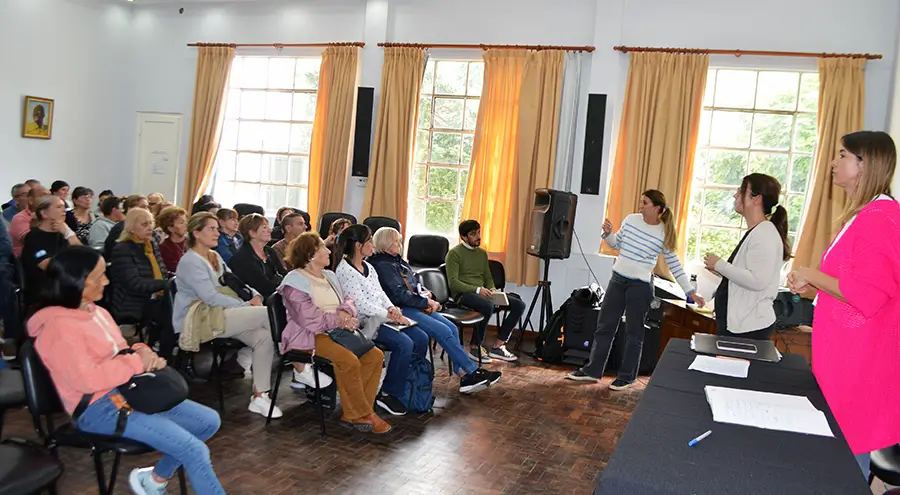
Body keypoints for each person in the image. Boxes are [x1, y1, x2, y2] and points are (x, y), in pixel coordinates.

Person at [27, 246, 225, 494]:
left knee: (207, 422)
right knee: (194, 450)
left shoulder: (96, 311)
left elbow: (121, 349)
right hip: (97, 408)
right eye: (99, 276)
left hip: (126, 390)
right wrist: (136, 363)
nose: (107, 281)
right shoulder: (58, 327)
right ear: (77, 281)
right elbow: (87, 380)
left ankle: (154, 481)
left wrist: (143, 352)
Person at [787, 131, 900, 478]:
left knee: (844, 466)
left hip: (858, 364)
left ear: (865, 165)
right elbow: (856, 286)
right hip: (843, 357)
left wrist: (811, 274)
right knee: (835, 460)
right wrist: (814, 281)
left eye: (842, 155)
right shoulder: (865, 215)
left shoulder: (880, 217)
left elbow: (869, 296)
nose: (834, 163)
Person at [567, 190, 705, 390]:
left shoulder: (664, 232)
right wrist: (608, 234)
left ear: (657, 208)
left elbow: (675, 265)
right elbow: (616, 244)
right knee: (604, 327)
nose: (641, 206)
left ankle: (627, 376)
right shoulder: (631, 220)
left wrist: (690, 292)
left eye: (645, 203)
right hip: (617, 281)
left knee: (634, 334)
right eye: (641, 202)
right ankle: (592, 370)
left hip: (640, 287)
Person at [173, 212, 280, 418]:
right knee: (269, 315)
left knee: (263, 336)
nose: (217, 232)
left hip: (221, 314)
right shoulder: (190, 261)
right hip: (199, 319)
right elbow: (210, 297)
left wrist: (254, 294)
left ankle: (260, 396)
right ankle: (300, 364)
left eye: (216, 228)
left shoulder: (214, 256)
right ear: (196, 233)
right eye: (211, 228)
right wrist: (245, 305)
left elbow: (235, 281)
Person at [279, 232, 389, 433]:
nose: (329, 251)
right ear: (310, 254)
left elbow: (348, 300)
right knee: (348, 360)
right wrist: (340, 320)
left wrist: (346, 314)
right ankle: (366, 413)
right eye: (323, 248)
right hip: (310, 335)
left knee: (375, 356)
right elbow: (309, 319)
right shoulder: (293, 282)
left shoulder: (329, 276)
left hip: (337, 330)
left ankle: (354, 413)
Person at [369, 227, 500, 394]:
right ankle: (472, 371)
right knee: (443, 330)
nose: (399, 244)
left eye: (399, 241)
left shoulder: (398, 261)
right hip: (400, 309)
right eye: (396, 241)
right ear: (385, 243)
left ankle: (464, 375)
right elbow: (398, 295)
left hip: (414, 304)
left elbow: (414, 284)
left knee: (451, 328)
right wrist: (425, 302)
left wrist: (429, 295)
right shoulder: (382, 265)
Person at [333, 224, 423, 417]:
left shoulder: (369, 267)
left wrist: (392, 308)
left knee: (421, 337)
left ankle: (410, 384)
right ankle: (388, 393)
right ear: (358, 246)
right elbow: (360, 306)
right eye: (369, 241)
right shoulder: (345, 271)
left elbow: (380, 294)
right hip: (366, 323)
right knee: (404, 344)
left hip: (383, 316)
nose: (373, 244)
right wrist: (390, 315)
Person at [702, 174, 791, 340]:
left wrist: (721, 265)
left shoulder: (764, 233)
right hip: (738, 325)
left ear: (756, 199)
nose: (735, 195)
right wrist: (722, 271)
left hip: (748, 328)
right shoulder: (758, 231)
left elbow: (757, 281)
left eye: (741, 190)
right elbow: (748, 275)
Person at [445, 220, 524, 363]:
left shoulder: (482, 253)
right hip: (462, 294)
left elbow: (487, 276)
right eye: (473, 234)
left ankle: (498, 345)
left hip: (482, 293)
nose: (478, 236)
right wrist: (477, 290)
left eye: (479, 232)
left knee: (519, 304)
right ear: (463, 237)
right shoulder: (454, 254)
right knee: (487, 306)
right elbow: (453, 283)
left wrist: (492, 289)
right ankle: (475, 346)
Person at [109, 208, 178, 359]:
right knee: (170, 314)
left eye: (151, 223)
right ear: (132, 227)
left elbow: (162, 271)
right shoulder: (123, 248)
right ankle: (164, 354)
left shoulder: (151, 244)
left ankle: (170, 350)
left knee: (180, 308)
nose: (150, 228)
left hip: (154, 296)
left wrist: (175, 278)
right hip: (133, 301)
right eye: (144, 224)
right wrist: (164, 284)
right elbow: (134, 283)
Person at [20, 195, 82, 307]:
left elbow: (86, 258)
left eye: (64, 207)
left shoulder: (64, 234)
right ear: (44, 213)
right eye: (58, 207)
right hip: (45, 294)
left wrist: (68, 233)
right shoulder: (34, 237)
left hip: (67, 289)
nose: (64, 210)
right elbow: (50, 266)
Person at [227, 214, 287, 300]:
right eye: (265, 228)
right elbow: (263, 286)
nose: (270, 230)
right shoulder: (243, 258)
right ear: (252, 233)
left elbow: (283, 273)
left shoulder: (270, 251)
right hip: (257, 299)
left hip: (276, 295)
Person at [104, 195, 149, 260]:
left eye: (147, 207)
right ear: (130, 210)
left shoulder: (147, 228)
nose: (147, 210)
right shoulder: (121, 229)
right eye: (143, 207)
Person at [10, 184, 50, 257]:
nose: (49, 199)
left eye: (50, 196)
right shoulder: (20, 218)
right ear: (31, 200)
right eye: (44, 196)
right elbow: (33, 242)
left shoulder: (53, 215)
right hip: (27, 258)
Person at [157, 206, 189, 273]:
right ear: (171, 228)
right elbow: (176, 269)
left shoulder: (192, 241)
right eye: (181, 222)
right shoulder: (164, 247)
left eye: (186, 221)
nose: (186, 224)